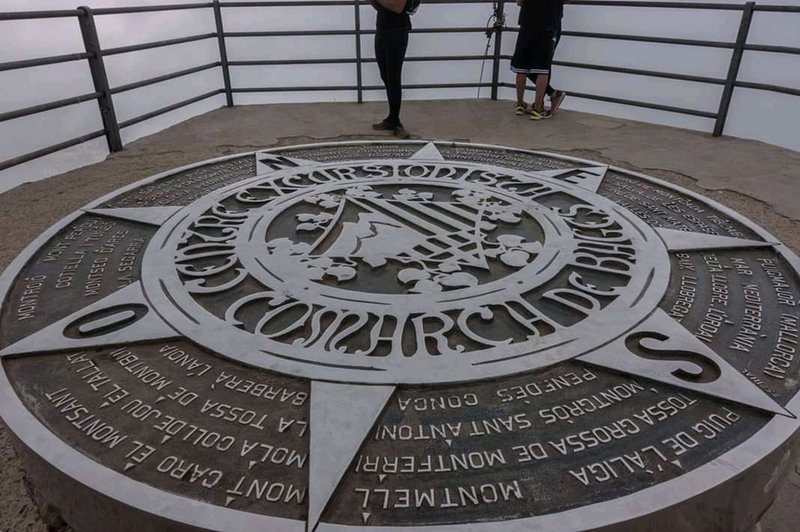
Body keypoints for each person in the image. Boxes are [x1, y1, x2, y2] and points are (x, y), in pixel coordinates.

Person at [510, 0, 561, 120]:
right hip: (547, 24)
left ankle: (520, 104)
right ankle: (538, 109)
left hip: (527, 23)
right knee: (542, 68)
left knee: (521, 67)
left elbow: (519, 2)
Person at [371, 0, 412, 139]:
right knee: (385, 75)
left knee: (393, 77)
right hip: (382, 29)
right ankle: (391, 118)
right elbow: (379, 6)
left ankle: (396, 122)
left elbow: (398, 7)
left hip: (397, 32)